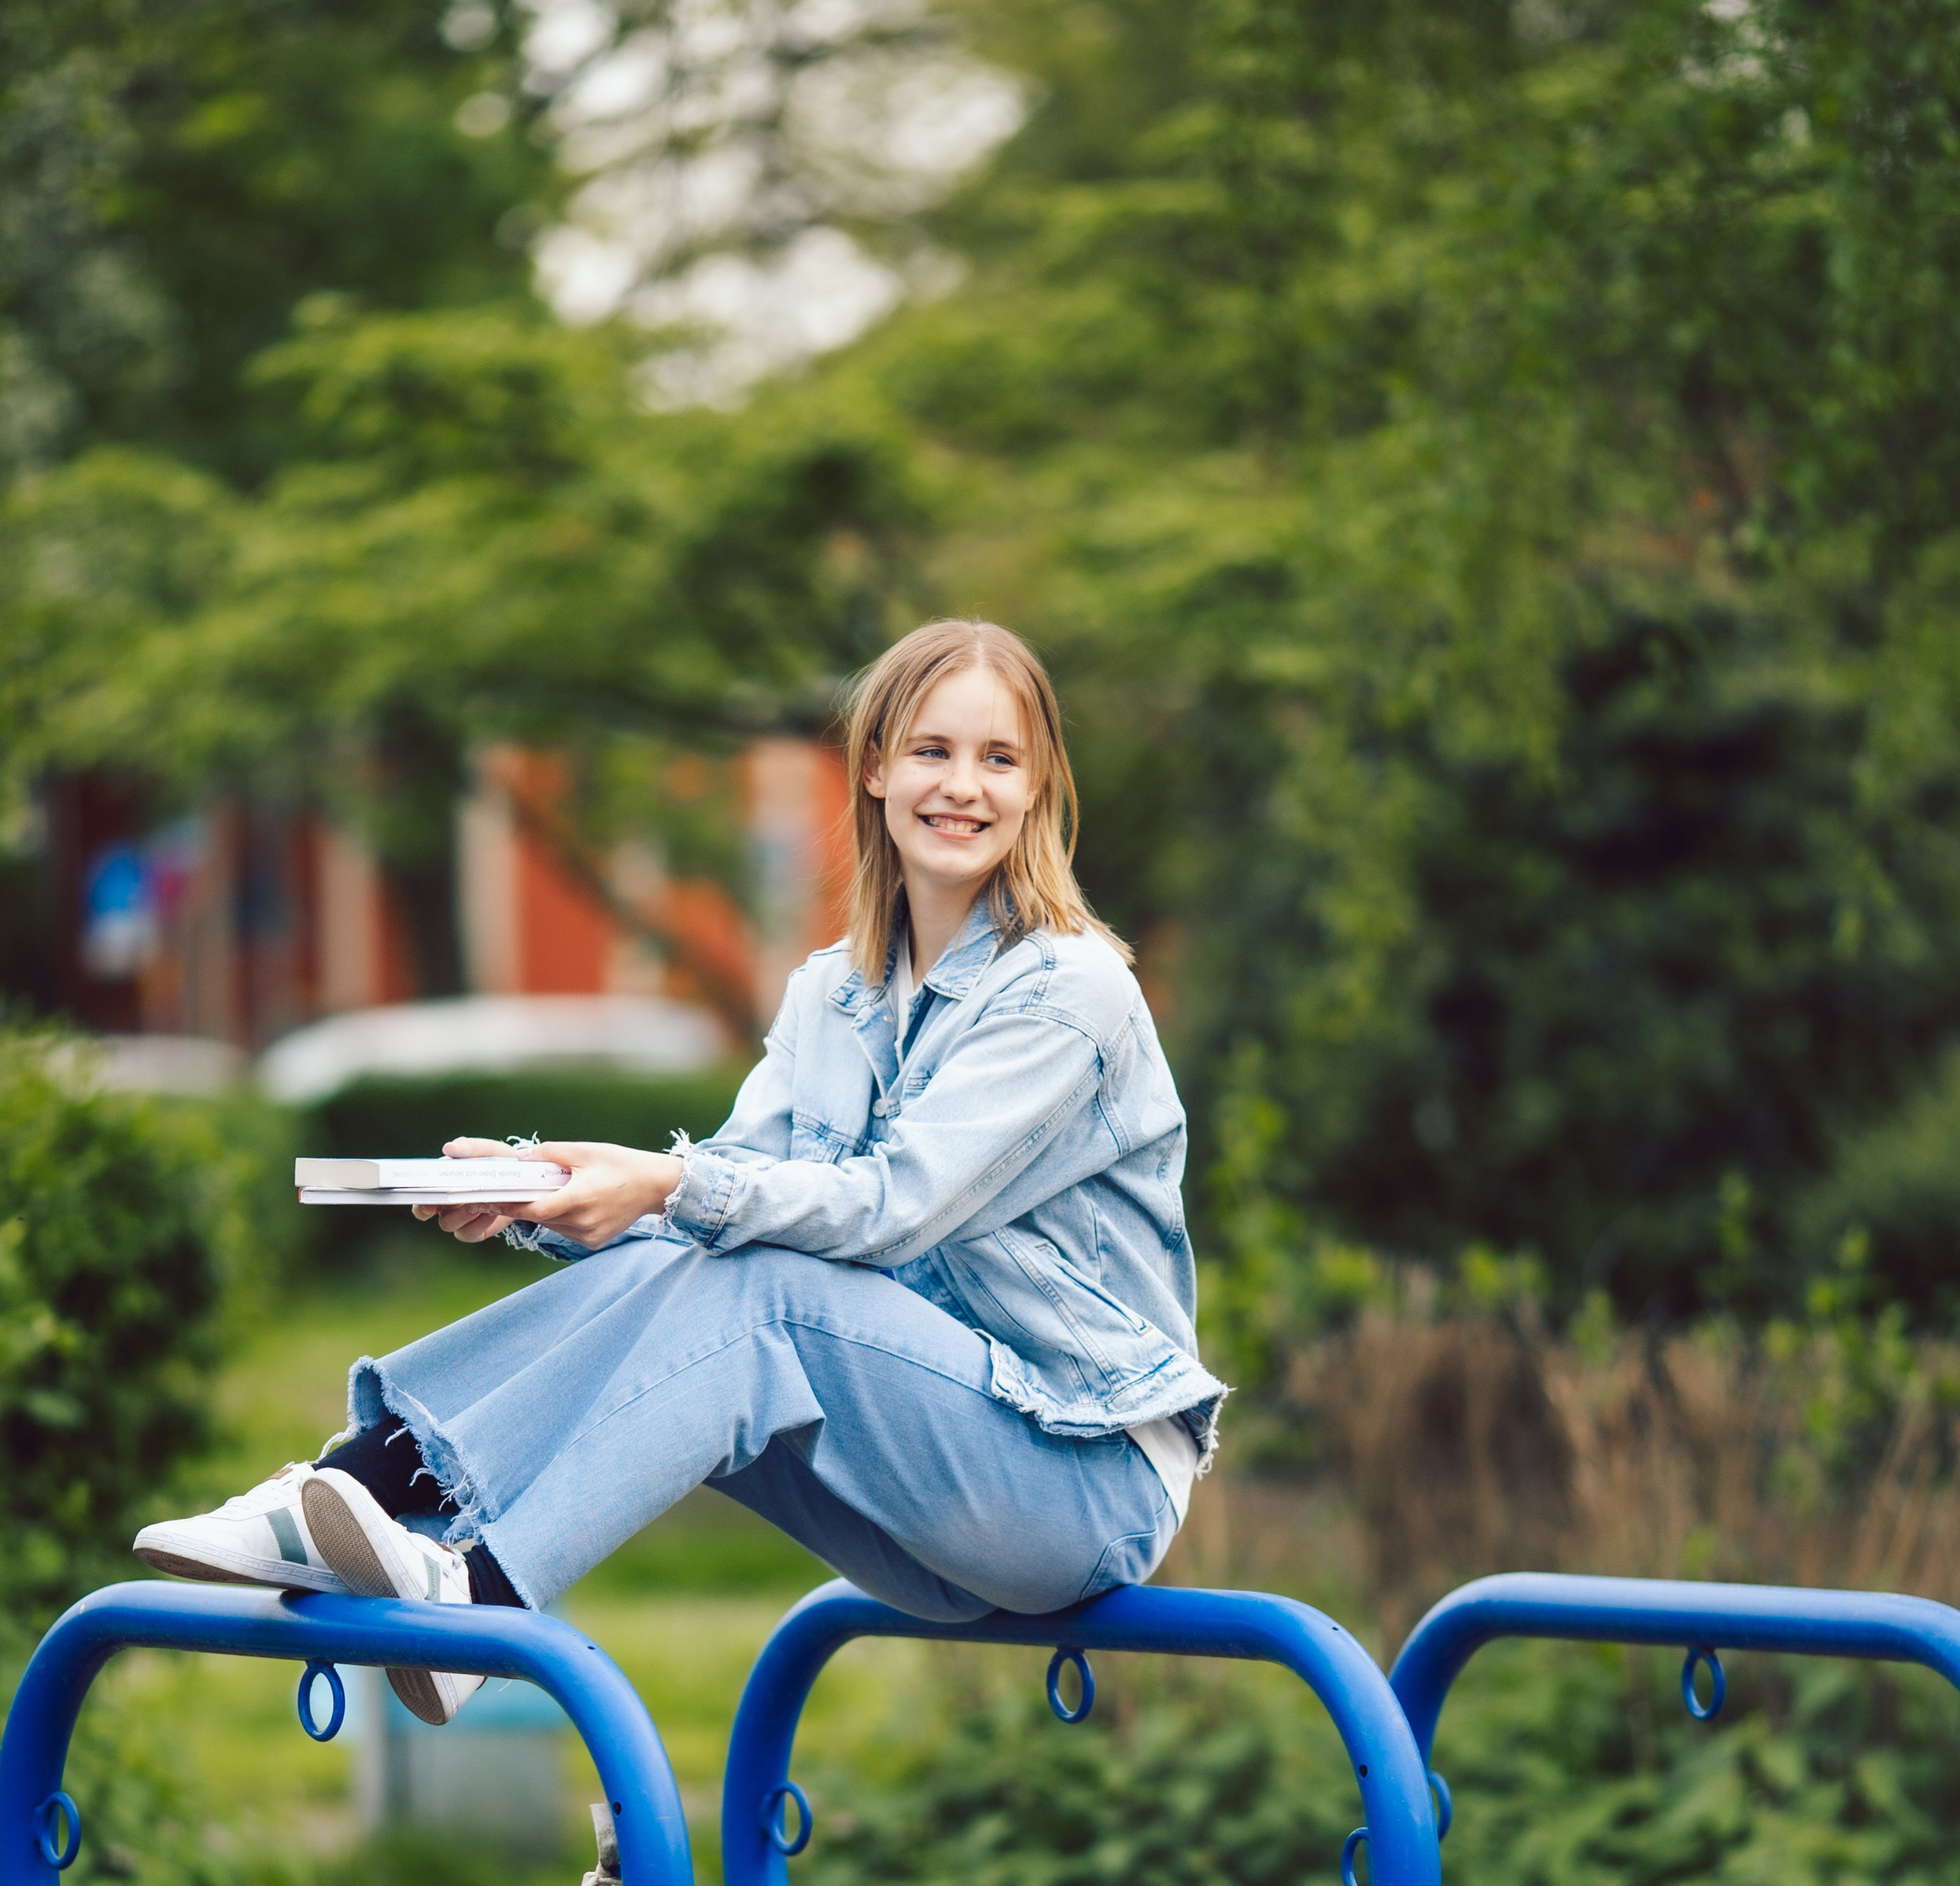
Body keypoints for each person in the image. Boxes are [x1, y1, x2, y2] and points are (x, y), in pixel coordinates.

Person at [135, 619, 1225, 1725]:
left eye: (1001, 759)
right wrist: (543, 1194)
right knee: (723, 1273)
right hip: (926, 1499)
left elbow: (891, 1209)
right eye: (934, 751)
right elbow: (725, 1211)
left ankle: (471, 1580)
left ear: (1040, 787)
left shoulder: (1068, 990)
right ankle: (367, 1482)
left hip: (1081, 1485)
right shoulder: (832, 995)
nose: (964, 786)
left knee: (763, 1287)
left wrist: (663, 1183)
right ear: (875, 767)